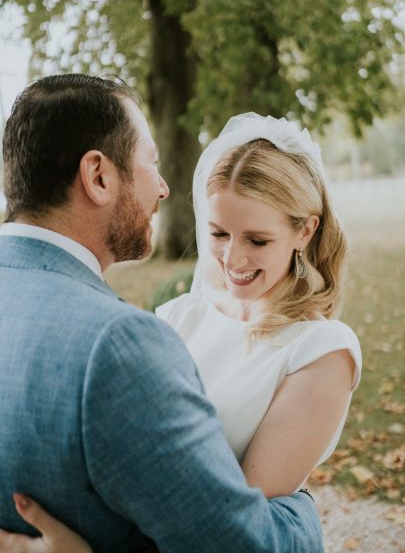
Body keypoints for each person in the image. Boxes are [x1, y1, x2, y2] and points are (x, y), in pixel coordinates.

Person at [0, 75, 324, 553]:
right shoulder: (117, 344)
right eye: (150, 162)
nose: (166, 188)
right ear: (99, 176)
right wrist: (304, 508)